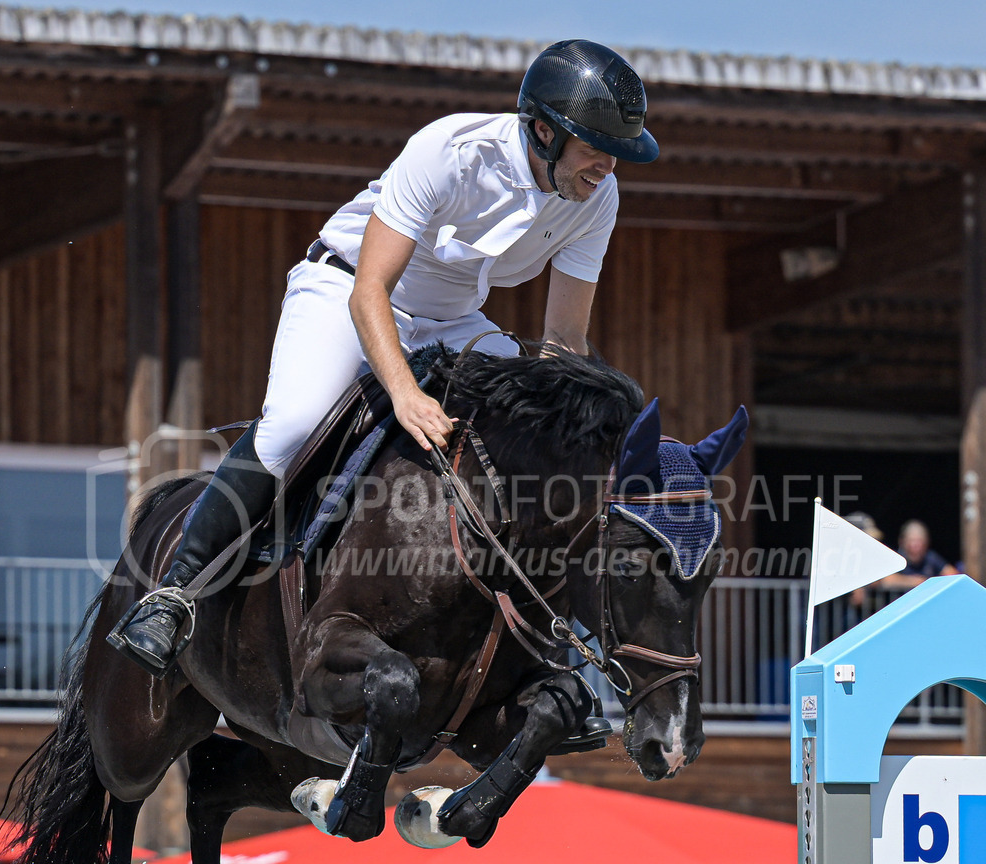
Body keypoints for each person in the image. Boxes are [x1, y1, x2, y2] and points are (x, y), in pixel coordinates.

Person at [108, 39, 659, 702]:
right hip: (347, 290)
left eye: (617, 151)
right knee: (294, 426)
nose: (609, 165)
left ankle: (540, 652)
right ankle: (174, 594)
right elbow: (370, 290)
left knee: (528, 424)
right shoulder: (449, 151)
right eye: (596, 147)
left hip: (453, 317)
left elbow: (564, 339)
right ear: (544, 131)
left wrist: (580, 432)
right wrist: (402, 392)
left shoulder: (597, 197)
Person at [880, 519, 959, 590]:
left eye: (919, 541)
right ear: (902, 542)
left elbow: (952, 574)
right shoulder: (897, 558)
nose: (915, 546)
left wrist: (933, 584)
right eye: (912, 541)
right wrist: (914, 582)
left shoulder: (931, 557)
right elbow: (884, 580)